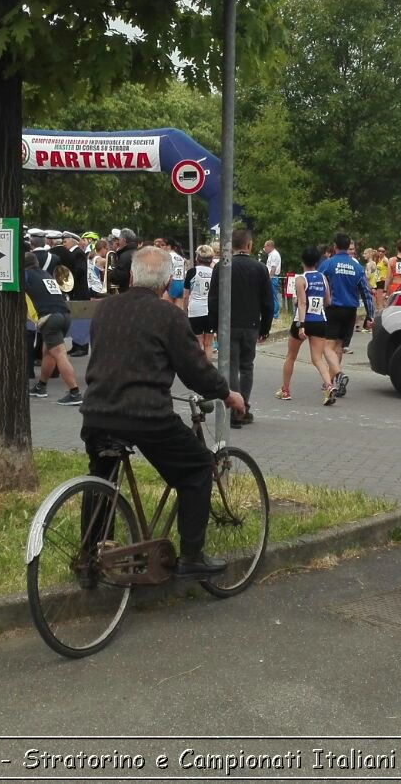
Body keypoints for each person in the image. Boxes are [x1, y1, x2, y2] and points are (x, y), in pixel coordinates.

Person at [78, 246, 246, 578]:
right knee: (198, 467)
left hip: (97, 412)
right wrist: (227, 394)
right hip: (145, 416)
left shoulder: (104, 310)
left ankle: (89, 560)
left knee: (101, 477)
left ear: (130, 277)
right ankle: (192, 557)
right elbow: (194, 369)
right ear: (169, 282)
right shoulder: (169, 316)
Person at [205, 229, 275, 429]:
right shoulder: (260, 269)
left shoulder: (222, 267)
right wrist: (265, 328)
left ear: (231, 246)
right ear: (249, 245)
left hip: (228, 325)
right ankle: (244, 406)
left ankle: (234, 408)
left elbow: (214, 298)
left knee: (231, 366)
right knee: (247, 366)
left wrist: (213, 323)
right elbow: (267, 302)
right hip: (251, 325)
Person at [317, 233, 375, 395]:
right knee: (339, 347)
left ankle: (339, 375)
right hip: (351, 311)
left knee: (327, 347)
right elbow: (366, 291)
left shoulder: (328, 264)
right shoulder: (356, 266)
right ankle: (332, 383)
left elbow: (315, 283)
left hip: (333, 308)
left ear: (335, 246)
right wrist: (370, 315)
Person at [22, 251, 82, 405]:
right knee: (48, 352)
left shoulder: (26, 275)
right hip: (64, 315)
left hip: (49, 317)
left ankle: (75, 392)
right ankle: (41, 386)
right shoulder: (46, 275)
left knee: (59, 353)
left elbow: (13, 293)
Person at [293, 246, 340, 405]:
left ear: (302, 261)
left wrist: (301, 325)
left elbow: (302, 302)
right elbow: (328, 301)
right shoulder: (323, 278)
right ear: (317, 261)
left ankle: (285, 388)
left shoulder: (301, 279)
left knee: (291, 356)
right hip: (320, 320)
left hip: (306, 321)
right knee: (318, 359)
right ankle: (329, 385)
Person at [183, 245, 216, 355]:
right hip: (210, 310)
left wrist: (185, 309)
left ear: (197, 258)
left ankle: (198, 369)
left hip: (195, 310)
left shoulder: (192, 272)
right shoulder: (214, 272)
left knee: (197, 343)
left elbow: (186, 295)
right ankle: (208, 369)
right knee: (209, 344)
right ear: (211, 259)